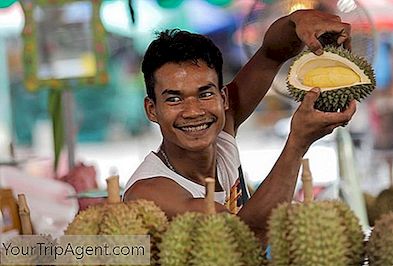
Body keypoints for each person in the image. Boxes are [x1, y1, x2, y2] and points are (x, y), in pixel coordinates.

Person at [123, 9, 356, 245]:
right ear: (152, 110)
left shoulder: (222, 128)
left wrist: (297, 22)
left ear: (223, 98)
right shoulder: (148, 195)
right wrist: (297, 143)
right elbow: (245, 240)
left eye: (205, 94)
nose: (193, 112)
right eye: (174, 99)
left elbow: (271, 55)